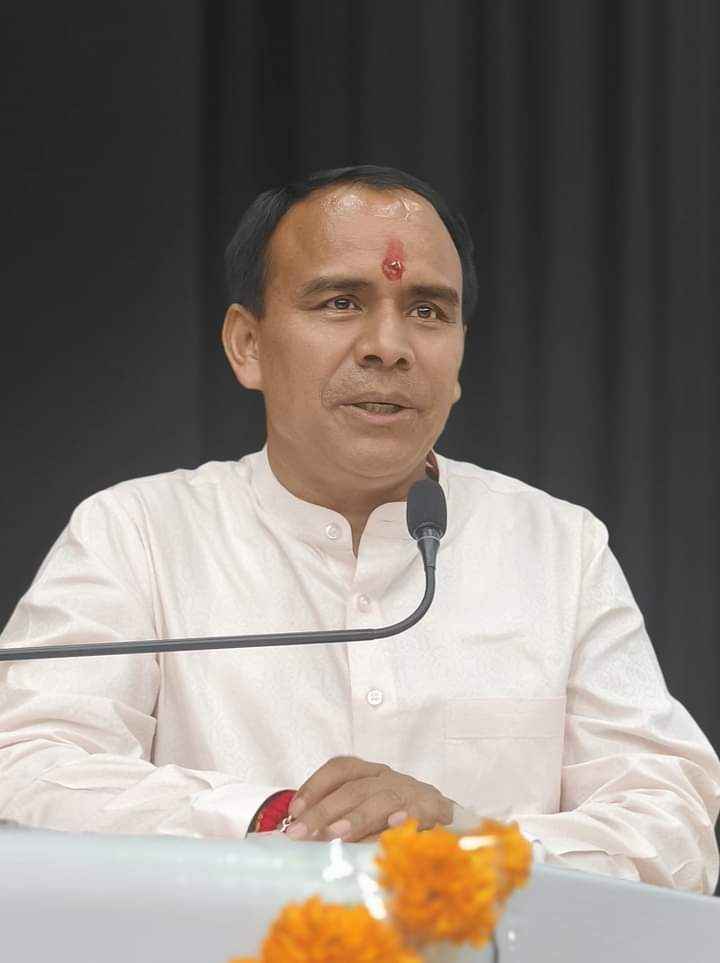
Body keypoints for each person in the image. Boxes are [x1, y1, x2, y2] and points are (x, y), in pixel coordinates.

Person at [1, 165, 718, 893]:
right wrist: (273, 818)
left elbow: (675, 828)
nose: (388, 346)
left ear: (459, 355)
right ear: (248, 344)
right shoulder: (137, 536)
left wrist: (460, 838)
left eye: (428, 311)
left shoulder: (558, 549)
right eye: (341, 302)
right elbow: (26, 765)